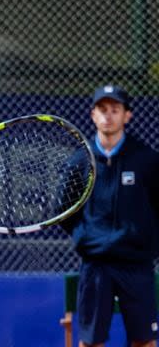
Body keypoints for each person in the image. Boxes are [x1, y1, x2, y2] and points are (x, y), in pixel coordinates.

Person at [62, 84, 159, 347]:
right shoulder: (79, 161)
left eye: (115, 110)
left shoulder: (147, 160)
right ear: (92, 114)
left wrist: (145, 240)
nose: (108, 116)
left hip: (137, 265)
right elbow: (64, 210)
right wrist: (87, 236)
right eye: (102, 110)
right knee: (91, 342)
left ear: (127, 115)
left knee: (144, 341)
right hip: (96, 266)